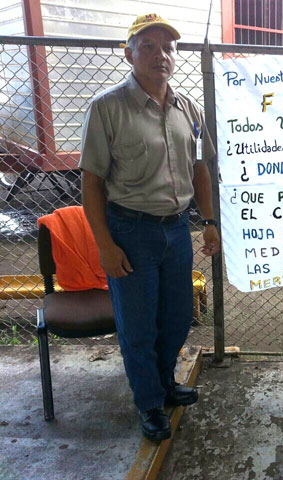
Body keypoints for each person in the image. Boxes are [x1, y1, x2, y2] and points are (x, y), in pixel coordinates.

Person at [80, 13, 220, 442]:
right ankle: (149, 403)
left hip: (177, 230)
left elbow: (200, 167)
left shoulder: (187, 108)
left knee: (177, 316)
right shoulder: (107, 108)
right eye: (149, 47)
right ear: (129, 54)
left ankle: (165, 384)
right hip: (131, 230)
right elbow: (91, 182)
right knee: (138, 324)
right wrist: (104, 244)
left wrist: (209, 220)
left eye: (168, 48)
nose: (161, 55)